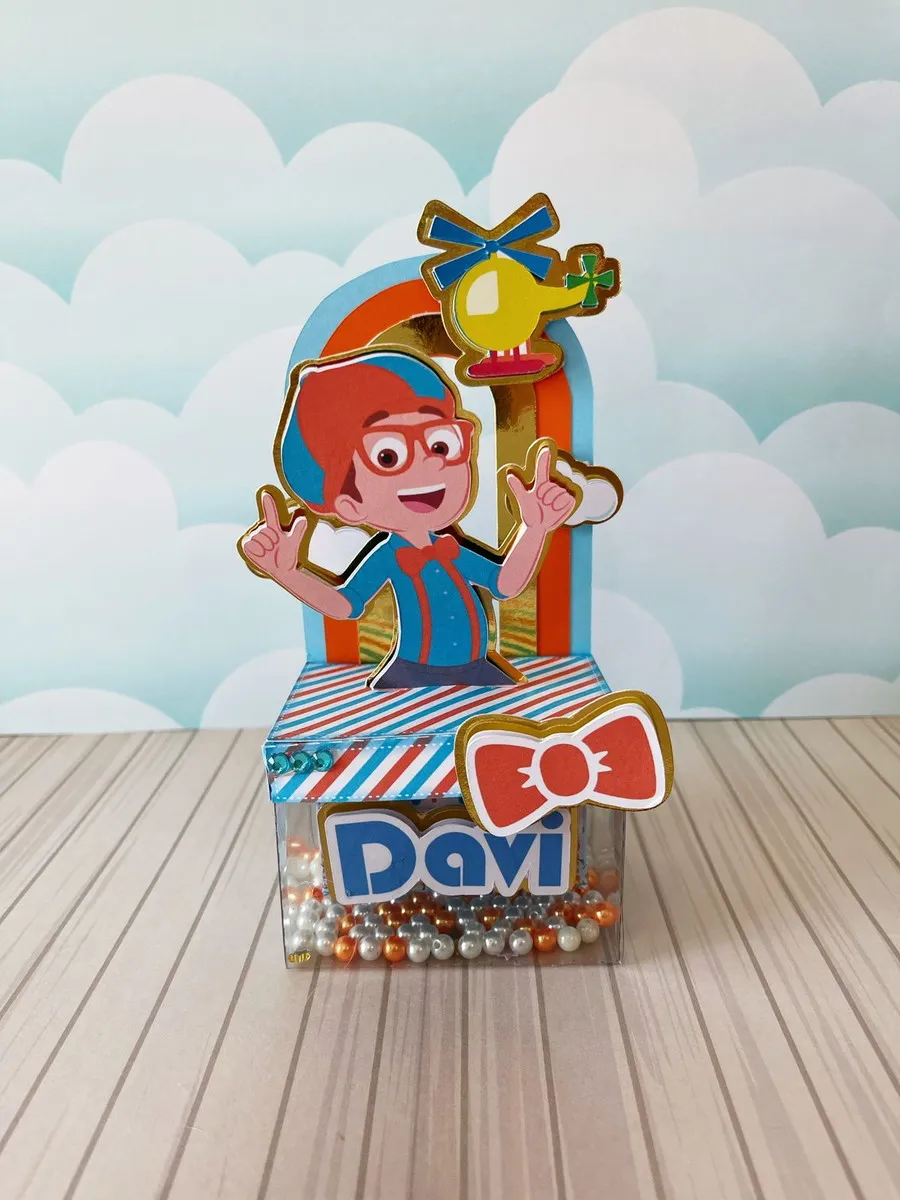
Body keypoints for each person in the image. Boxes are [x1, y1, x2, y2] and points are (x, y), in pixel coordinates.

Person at [241, 348, 576, 687]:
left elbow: (504, 584)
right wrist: (287, 574)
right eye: (388, 455)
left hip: (478, 670)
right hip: (411, 674)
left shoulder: (450, 547)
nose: (431, 463)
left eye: (440, 444)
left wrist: (535, 529)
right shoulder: (388, 556)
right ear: (350, 504)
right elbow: (347, 605)